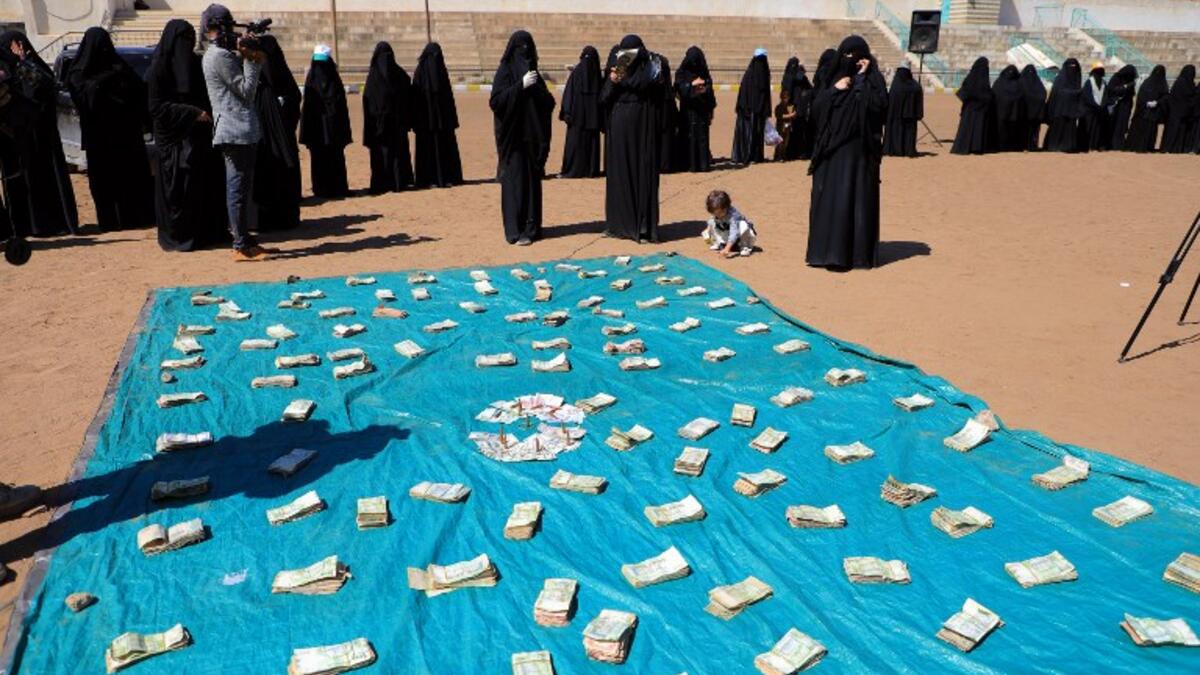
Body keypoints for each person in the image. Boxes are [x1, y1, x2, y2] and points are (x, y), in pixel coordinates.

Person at [805, 35, 887, 270]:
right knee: (831, 203)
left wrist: (861, 81)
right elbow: (817, 112)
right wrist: (834, 90)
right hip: (831, 155)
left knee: (856, 203)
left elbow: (877, 109)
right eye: (846, 54)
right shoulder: (833, 79)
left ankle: (855, 256)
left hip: (860, 156)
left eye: (856, 55)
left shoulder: (873, 81)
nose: (850, 59)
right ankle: (826, 254)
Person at [148, 19, 229, 251]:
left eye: (190, 40)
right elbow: (156, 108)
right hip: (173, 140)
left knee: (205, 186)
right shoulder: (159, 69)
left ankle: (208, 232)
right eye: (182, 40)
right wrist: (191, 113)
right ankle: (179, 236)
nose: (187, 46)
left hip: (200, 138)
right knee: (179, 190)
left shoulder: (195, 64)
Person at [65, 27, 154, 230]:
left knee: (130, 180)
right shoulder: (79, 72)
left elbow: (139, 95)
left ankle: (135, 218)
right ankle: (110, 221)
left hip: (126, 136)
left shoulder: (121, 69)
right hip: (99, 138)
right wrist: (105, 82)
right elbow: (83, 97)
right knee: (104, 183)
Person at [200, 4, 270, 261]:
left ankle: (246, 241)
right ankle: (240, 244)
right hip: (234, 130)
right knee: (237, 189)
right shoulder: (220, 57)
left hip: (236, 129)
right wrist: (252, 60)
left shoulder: (218, 54)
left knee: (241, 188)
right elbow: (247, 91)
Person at [0, 30, 78, 237]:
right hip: (18, 141)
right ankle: (27, 226)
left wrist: (22, 63)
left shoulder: (33, 68)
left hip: (42, 140)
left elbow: (40, 89)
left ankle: (53, 224)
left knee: (46, 181)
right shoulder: (5, 73)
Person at [489, 30, 555, 246]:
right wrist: (520, 86)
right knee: (514, 183)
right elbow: (496, 102)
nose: (524, 52)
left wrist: (534, 87)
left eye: (528, 47)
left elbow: (548, 103)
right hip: (513, 138)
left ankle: (531, 228)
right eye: (520, 48)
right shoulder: (505, 71)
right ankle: (514, 230)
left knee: (532, 184)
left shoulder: (534, 72)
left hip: (532, 138)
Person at [600, 34, 662, 242]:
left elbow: (647, 85)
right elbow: (604, 97)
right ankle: (618, 225)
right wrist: (612, 81)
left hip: (643, 126)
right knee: (620, 173)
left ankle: (642, 226)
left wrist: (623, 79)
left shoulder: (652, 64)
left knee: (641, 172)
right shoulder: (619, 66)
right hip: (620, 126)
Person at [252, 34, 301, 231]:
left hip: (281, 139)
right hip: (262, 141)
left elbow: (294, 100)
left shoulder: (282, 81)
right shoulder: (254, 79)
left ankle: (282, 217)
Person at [299, 44, 351, 198]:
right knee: (326, 156)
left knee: (325, 157)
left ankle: (324, 188)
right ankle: (332, 187)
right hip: (325, 126)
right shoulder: (331, 78)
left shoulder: (313, 79)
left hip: (322, 127)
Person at [362, 42, 414, 194]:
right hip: (394, 124)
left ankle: (384, 182)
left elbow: (368, 101)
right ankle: (399, 181)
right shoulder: (400, 75)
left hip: (382, 125)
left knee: (385, 153)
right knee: (396, 152)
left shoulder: (373, 76)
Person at [412, 42, 463, 188]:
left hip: (443, 123)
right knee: (428, 150)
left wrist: (450, 120)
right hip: (426, 123)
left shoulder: (442, 73)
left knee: (444, 149)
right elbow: (415, 99)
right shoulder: (420, 74)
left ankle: (447, 177)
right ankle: (428, 179)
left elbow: (449, 99)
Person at [559, 46, 602, 178]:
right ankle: (590, 170)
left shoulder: (577, 73)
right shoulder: (596, 75)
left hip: (576, 117)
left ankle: (573, 170)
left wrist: (567, 112)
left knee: (575, 144)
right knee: (591, 144)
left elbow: (568, 95)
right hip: (592, 118)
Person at [673, 46, 716, 172]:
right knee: (687, 136)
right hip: (688, 111)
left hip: (702, 111)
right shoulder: (681, 72)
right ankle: (688, 164)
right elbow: (678, 90)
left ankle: (702, 163)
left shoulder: (704, 72)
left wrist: (704, 90)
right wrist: (691, 85)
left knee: (701, 137)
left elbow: (710, 92)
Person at [731, 48, 771, 165]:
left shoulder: (760, 74)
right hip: (748, 111)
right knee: (748, 133)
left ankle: (755, 155)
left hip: (757, 111)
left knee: (756, 132)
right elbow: (744, 95)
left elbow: (765, 94)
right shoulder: (750, 75)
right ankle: (746, 155)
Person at [951, 56, 994, 155]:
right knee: (979, 128)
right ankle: (977, 147)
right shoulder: (985, 79)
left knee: (967, 128)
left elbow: (963, 92)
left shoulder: (971, 78)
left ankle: (965, 147)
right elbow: (988, 95)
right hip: (981, 110)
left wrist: (970, 101)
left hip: (969, 110)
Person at [881, 63, 922, 157]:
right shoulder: (915, 86)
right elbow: (919, 103)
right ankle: (907, 150)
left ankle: (894, 149)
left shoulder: (896, 85)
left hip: (895, 116)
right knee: (908, 133)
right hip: (910, 116)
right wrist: (918, 114)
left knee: (895, 131)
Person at [1125, 64, 1169, 153]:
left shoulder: (1163, 84)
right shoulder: (1147, 82)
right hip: (1143, 111)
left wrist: (1157, 102)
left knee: (1151, 130)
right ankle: (1138, 146)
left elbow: (1165, 96)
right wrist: (1146, 103)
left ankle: (1147, 146)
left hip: (1153, 112)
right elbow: (1141, 96)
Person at [702, 189, 757, 258]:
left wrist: (727, 249)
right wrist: (707, 230)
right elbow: (712, 220)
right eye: (714, 213)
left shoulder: (734, 215)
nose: (717, 215)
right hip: (728, 233)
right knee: (712, 222)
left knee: (743, 225)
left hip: (740, 237)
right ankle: (718, 243)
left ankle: (745, 247)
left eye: (719, 213)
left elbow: (734, 232)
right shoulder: (717, 213)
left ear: (726, 208)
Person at [1043, 58, 1083, 152]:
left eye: (1074, 67)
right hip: (1059, 110)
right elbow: (1060, 93)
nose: (1072, 69)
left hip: (1072, 111)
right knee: (1058, 128)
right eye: (1070, 67)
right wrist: (1076, 92)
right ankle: (1055, 146)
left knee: (1069, 129)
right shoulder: (1060, 79)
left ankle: (1068, 147)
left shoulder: (1076, 78)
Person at [782, 58, 814, 159]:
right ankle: (788, 152)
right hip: (792, 107)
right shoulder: (790, 77)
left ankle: (796, 152)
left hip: (799, 107)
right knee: (788, 130)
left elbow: (809, 88)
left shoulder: (796, 76)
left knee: (798, 130)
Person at [1160, 65, 1196, 153]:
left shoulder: (1181, 82)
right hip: (1179, 113)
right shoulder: (1184, 83)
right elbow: (1187, 97)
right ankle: (1172, 148)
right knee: (1175, 131)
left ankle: (1171, 148)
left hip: (1177, 113)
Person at [1101, 64, 1137, 151]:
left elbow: (1131, 94)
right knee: (1113, 124)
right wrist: (1125, 87)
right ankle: (1110, 144)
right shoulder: (1116, 77)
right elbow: (1111, 90)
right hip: (1115, 106)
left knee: (1122, 126)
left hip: (1125, 106)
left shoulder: (1130, 80)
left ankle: (1118, 144)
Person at [991, 64, 1025, 152]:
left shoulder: (999, 82)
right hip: (1014, 113)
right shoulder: (1018, 84)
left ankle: (1003, 146)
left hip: (1002, 112)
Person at [1077, 63, 1106, 152]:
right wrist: (1095, 105)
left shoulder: (1103, 82)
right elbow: (1087, 96)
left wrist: (1102, 105)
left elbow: (1106, 95)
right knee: (1088, 128)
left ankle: (1094, 146)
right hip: (1088, 111)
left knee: (1096, 129)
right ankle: (1085, 146)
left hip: (1098, 111)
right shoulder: (1089, 82)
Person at [1019, 64, 1047, 151]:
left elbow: (1043, 94)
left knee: (1032, 131)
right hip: (1029, 113)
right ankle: (1029, 145)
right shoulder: (1033, 82)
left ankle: (1031, 145)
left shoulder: (1023, 81)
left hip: (1030, 113)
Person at [772, 89, 797, 161]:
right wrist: (790, 115)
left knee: (786, 142)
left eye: (787, 97)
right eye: (785, 98)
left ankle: (783, 155)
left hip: (788, 126)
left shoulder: (790, 106)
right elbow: (780, 116)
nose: (786, 99)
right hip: (781, 126)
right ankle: (778, 157)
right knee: (780, 142)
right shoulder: (779, 107)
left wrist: (793, 114)